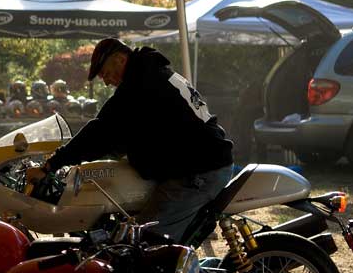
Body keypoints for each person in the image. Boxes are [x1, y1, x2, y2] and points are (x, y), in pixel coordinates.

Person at [26, 38, 234, 242]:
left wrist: (51, 165)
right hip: (202, 162)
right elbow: (139, 130)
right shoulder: (153, 72)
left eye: (106, 74)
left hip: (199, 171)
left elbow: (100, 131)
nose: (106, 81)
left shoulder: (140, 84)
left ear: (119, 59)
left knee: (144, 243)